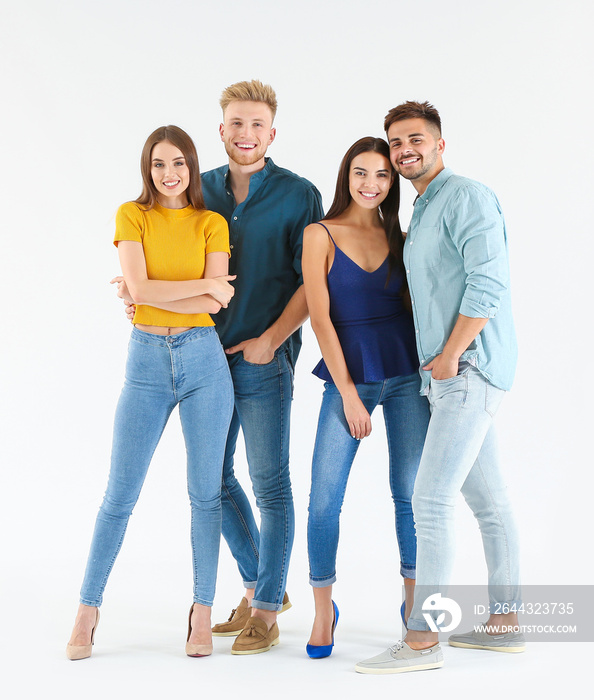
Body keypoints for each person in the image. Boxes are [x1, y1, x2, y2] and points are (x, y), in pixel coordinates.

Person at [125, 81, 323, 653]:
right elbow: (162, 257)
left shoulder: (299, 195)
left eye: (257, 125)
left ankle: (263, 606)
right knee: (210, 480)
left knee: (270, 484)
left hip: (265, 359)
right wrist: (136, 292)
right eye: (236, 124)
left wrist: (271, 340)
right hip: (202, 356)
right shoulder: (197, 189)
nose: (246, 134)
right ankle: (268, 583)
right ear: (221, 130)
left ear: (272, 133)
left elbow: (314, 283)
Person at [355, 101, 522, 674]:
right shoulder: (422, 210)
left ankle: (423, 639)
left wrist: (450, 355)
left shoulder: (467, 196)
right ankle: (506, 622)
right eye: (397, 142)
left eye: (416, 139)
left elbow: (489, 282)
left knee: (430, 500)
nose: (405, 150)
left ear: (440, 143)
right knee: (489, 502)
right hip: (447, 378)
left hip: (468, 369)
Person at [67, 125, 235, 660]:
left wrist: (165, 295)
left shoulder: (212, 222)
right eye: (160, 164)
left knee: (205, 494)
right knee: (120, 495)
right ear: (148, 168)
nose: (170, 173)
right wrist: (200, 289)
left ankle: (202, 610)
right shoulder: (131, 215)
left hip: (205, 361)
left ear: (192, 166)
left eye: (180, 163)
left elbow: (213, 306)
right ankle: (87, 610)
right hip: (145, 361)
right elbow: (143, 293)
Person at [302, 137, 430, 659]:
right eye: (361, 173)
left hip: (406, 376)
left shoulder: (401, 236)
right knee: (323, 500)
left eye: (382, 175)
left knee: (411, 495)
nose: (371, 184)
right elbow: (319, 317)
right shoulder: (320, 234)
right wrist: (350, 396)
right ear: (346, 176)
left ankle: (413, 603)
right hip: (347, 378)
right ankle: (322, 610)